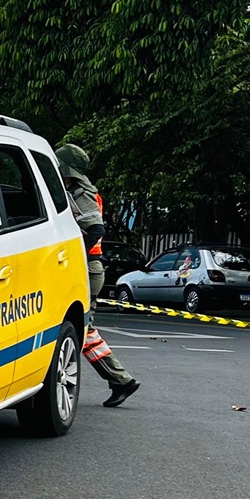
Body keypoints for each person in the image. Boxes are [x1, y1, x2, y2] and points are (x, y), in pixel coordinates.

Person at [56, 143, 141, 407]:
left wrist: (74, 257)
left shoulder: (82, 192)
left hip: (87, 266)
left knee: (84, 330)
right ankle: (120, 380)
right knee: (84, 330)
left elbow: (95, 229)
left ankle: (121, 380)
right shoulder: (77, 190)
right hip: (89, 266)